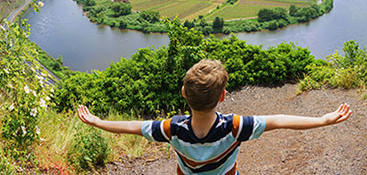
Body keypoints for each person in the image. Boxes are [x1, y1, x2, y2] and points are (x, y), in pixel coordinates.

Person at [78, 59, 351, 175]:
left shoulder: (172, 129)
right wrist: (323, 120)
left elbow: (133, 127)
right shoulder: (234, 127)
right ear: (222, 96)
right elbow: (280, 120)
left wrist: (99, 122)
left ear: (184, 93)